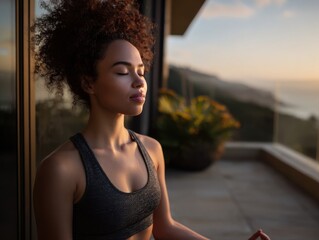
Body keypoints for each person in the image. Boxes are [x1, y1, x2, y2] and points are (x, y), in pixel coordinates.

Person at [32, 0, 208, 239]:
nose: (139, 81)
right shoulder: (61, 169)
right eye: (122, 72)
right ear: (88, 82)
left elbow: (165, 227)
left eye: (141, 71)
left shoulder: (151, 150)